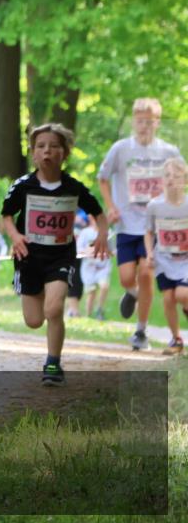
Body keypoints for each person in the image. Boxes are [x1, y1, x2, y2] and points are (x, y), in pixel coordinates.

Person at [2, 123, 109, 386]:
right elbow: (6, 215)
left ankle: (53, 362)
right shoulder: (24, 186)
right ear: (33, 153)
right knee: (34, 320)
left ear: (65, 153)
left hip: (60, 257)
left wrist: (102, 236)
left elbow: (99, 214)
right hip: (28, 257)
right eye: (41, 146)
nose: (47, 151)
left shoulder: (73, 187)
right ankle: (39, 296)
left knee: (54, 308)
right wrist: (15, 236)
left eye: (54, 146)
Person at [98, 98, 182, 350]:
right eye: (139, 121)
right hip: (125, 225)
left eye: (148, 121)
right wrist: (111, 206)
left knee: (146, 273)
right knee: (126, 278)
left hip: (155, 227)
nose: (143, 126)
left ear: (157, 122)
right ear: (134, 122)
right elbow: (102, 178)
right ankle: (131, 293)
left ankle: (141, 331)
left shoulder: (168, 152)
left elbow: (180, 180)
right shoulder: (121, 149)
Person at [145, 157, 188, 356]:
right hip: (163, 259)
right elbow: (149, 232)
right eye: (167, 175)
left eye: (177, 176)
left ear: (185, 180)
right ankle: (176, 339)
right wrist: (149, 254)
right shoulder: (154, 206)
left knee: (182, 295)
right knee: (169, 298)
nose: (171, 179)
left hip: (185, 260)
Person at [76, 210, 112, 321]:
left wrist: (107, 252)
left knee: (104, 286)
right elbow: (78, 251)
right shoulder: (85, 233)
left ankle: (99, 309)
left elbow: (112, 251)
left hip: (102, 266)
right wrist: (90, 252)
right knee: (91, 293)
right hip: (89, 267)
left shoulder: (108, 232)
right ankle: (88, 315)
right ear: (91, 219)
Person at [64, 211, 89, 318]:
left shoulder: (84, 212)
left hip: (81, 253)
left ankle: (72, 309)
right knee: (71, 279)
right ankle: (73, 310)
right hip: (66, 251)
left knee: (78, 280)